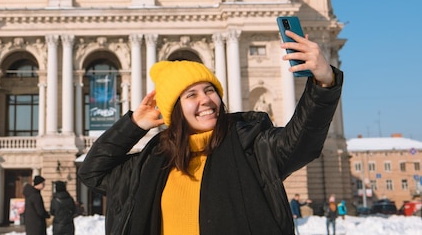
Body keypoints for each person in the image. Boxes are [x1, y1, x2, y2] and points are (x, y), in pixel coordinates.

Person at [79, 29, 343, 235]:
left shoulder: (251, 147)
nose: (206, 100)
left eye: (210, 90)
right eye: (191, 94)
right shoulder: (152, 162)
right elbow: (93, 172)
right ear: (175, 110)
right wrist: (134, 125)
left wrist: (323, 82)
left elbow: (303, 141)